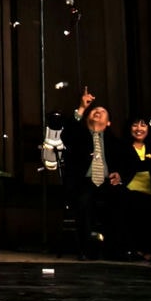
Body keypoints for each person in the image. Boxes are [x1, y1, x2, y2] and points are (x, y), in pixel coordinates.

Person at [62, 101, 122, 258]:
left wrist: (119, 174)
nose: (98, 111)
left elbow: (126, 163)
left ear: (108, 122)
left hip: (107, 182)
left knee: (122, 200)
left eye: (102, 111)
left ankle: (115, 250)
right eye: (94, 109)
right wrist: (81, 107)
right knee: (83, 202)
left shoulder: (114, 141)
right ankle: (86, 249)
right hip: (83, 182)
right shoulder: (78, 135)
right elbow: (66, 133)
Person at [115, 117, 151, 259]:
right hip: (130, 190)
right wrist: (149, 164)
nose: (139, 129)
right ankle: (136, 249)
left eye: (143, 125)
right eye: (135, 125)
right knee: (134, 205)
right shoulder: (122, 147)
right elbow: (128, 167)